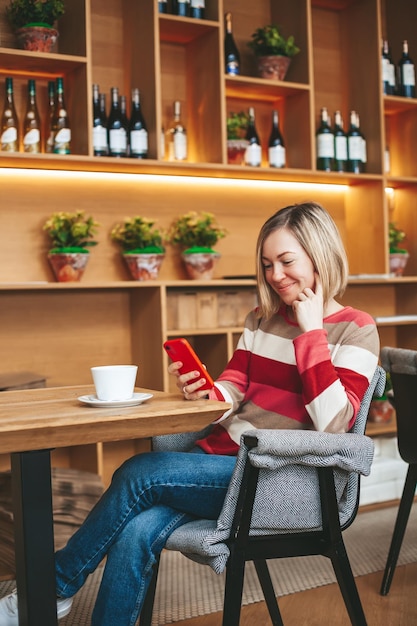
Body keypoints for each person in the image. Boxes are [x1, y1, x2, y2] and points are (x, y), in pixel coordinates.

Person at [0, 201, 379, 625]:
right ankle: (60, 598)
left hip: (280, 479)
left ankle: (51, 588)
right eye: (267, 264)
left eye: (286, 262)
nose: (275, 276)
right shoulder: (263, 319)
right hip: (222, 464)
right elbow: (234, 388)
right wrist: (207, 392)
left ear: (320, 255)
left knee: (140, 471)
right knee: (138, 527)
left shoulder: (356, 328)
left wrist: (311, 334)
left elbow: (334, 425)